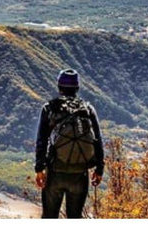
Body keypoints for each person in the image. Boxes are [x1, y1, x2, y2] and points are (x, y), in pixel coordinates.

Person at [34, 69, 104, 218]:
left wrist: (39, 169)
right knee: (74, 217)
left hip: (55, 173)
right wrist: (99, 169)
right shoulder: (87, 109)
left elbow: (41, 141)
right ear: (77, 88)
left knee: (49, 218)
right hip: (79, 175)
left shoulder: (50, 108)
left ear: (59, 87)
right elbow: (97, 140)